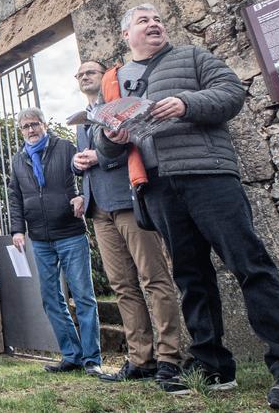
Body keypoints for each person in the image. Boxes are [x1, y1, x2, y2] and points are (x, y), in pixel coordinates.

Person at [95, 3, 279, 410]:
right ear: (125, 34)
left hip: (207, 173)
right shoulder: (115, 81)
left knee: (249, 265)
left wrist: (186, 104)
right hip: (158, 186)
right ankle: (212, 365)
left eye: (158, 19)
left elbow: (232, 94)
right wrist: (112, 135)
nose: (154, 24)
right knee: (190, 276)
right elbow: (107, 148)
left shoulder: (193, 57)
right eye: (143, 21)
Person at [74, 60, 184, 383]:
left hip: (128, 200)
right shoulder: (82, 121)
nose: (84, 77)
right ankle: (141, 358)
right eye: (79, 75)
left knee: (154, 277)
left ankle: (169, 357)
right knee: (122, 285)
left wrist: (100, 155)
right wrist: (77, 164)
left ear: (105, 76)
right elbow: (87, 164)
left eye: (90, 72)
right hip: (99, 210)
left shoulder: (121, 106)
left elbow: (138, 143)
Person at [8, 107, 102, 376]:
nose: (30, 130)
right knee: (51, 299)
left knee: (83, 296)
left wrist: (83, 197)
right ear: (20, 130)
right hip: (39, 237)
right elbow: (15, 197)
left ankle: (92, 359)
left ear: (44, 124)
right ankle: (71, 355)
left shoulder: (64, 148)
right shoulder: (18, 160)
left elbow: (87, 173)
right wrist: (17, 229)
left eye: (35, 124)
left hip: (70, 232)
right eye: (25, 127)